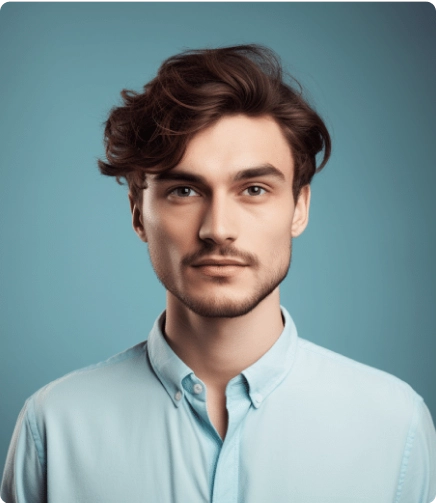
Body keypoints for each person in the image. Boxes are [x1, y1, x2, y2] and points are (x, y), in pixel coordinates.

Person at [1, 44, 435, 503]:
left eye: (253, 189)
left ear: (299, 208)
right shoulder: (53, 428)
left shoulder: (394, 426)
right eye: (184, 190)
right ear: (137, 213)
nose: (218, 230)